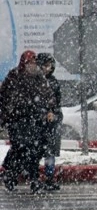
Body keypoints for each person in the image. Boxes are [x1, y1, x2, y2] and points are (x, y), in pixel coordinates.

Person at [0, 50, 55, 192]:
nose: (32, 65)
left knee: (33, 150)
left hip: (34, 119)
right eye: (29, 62)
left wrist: (49, 109)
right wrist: (7, 113)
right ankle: (11, 176)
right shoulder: (14, 76)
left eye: (33, 62)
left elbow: (48, 95)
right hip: (17, 120)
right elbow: (4, 96)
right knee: (20, 149)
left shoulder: (39, 77)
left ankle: (32, 179)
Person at [37, 53, 63, 191]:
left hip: (51, 126)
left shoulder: (53, 82)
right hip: (37, 125)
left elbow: (58, 103)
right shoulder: (34, 81)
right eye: (45, 65)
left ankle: (49, 177)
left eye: (50, 66)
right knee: (35, 152)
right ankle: (34, 178)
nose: (48, 68)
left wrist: (54, 115)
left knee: (49, 153)